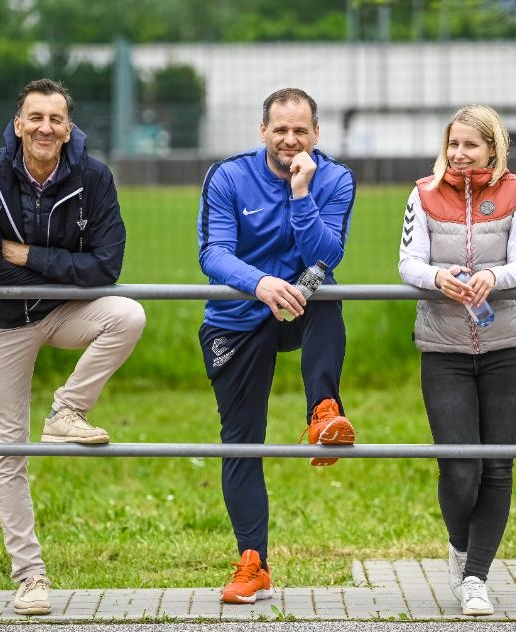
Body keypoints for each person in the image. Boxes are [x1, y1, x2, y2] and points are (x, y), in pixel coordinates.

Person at [0, 78, 146, 616]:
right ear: (18, 124)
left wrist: (27, 256)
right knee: (8, 450)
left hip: (62, 312)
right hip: (1, 321)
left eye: (56, 119)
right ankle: (30, 577)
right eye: (36, 118)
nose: (45, 128)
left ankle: (67, 410)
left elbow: (107, 268)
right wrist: (65, 269)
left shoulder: (94, 176)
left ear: (69, 129)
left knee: (128, 314)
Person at [197, 88, 357, 604]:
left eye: (300, 131)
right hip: (238, 317)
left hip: (299, 305)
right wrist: (260, 283)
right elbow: (213, 253)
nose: (290, 139)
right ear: (262, 130)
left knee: (327, 293)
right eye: (281, 129)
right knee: (241, 441)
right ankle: (254, 565)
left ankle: (324, 412)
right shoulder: (228, 176)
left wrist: (301, 194)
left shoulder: (335, 178)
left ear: (316, 134)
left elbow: (327, 255)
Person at [397, 104, 516, 617]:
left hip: (509, 350)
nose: (459, 154)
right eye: (453, 144)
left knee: (496, 466)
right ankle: (459, 550)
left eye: (470, 145)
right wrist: (437, 277)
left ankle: (476, 577)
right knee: (460, 468)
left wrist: (493, 278)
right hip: (444, 350)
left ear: (493, 149)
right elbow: (408, 261)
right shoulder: (423, 193)